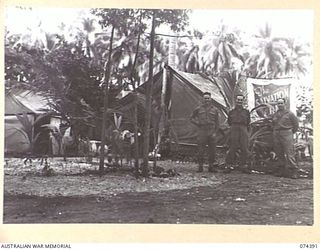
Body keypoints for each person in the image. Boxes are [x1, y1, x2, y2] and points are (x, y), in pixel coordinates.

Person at [190, 92, 219, 173]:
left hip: (211, 131)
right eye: (205, 98)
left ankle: (211, 167)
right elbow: (191, 118)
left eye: (208, 98)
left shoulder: (215, 110)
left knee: (212, 150)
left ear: (211, 99)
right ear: (203, 99)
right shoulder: (198, 109)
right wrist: (197, 123)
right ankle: (200, 167)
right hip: (202, 131)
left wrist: (215, 132)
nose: (206, 100)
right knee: (201, 149)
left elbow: (217, 122)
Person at [272, 98, 299, 178]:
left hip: (287, 133)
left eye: (281, 103)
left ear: (285, 104)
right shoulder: (276, 114)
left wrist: (290, 132)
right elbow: (273, 123)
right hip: (277, 133)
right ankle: (282, 170)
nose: (280, 105)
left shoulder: (290, 113)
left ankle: (294, 170)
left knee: (289, 152)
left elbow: (296, 124)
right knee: (279, 152)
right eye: (278, 103)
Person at [225, 94, 251, 173]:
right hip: (234, 128)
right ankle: (229, 165)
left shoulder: (246, 112)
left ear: (243, 101)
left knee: (244, 147)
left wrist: (244, 129)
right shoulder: (231, 112)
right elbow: (229, 122)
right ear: (236, 101)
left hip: (243, 128)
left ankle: (244, 166)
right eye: (238, 100)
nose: (239, 101)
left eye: (241, 100)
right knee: (232, 147)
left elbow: (248, 122)